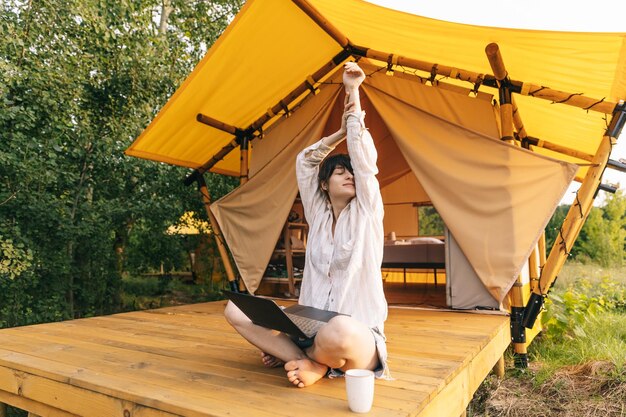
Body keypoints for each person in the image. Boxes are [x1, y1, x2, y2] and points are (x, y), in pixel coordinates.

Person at [224, 62, 389, 388]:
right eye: (340, 172)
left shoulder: (368, 211)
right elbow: (306, 161)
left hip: (356, 334)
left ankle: (305, 359)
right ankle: (304, 356)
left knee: (340, 330)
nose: (349, 175)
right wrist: (339, 134)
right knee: (235, 309)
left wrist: (353, 94)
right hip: (309, 326)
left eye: (350, 171)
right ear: (324, 185)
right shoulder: (319, 215)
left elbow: (366, 166)